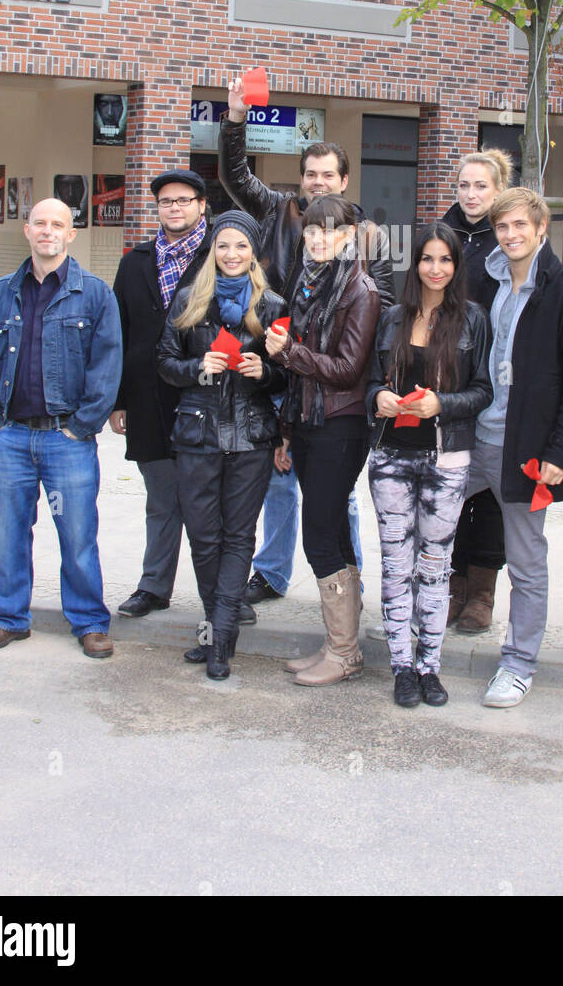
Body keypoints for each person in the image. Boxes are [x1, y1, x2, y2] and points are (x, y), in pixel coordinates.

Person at [219, 70, 394, 605]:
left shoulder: (367, 235)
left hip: (336, 382)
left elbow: (382, 308)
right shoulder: (279, 209)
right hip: (278, 368)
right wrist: (235, 120)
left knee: (335, 493)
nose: (318, 182)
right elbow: (235, 175)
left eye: (328, 174)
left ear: (345, 180)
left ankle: (348, 579)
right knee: (278, 477)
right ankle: (271, 573)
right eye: (310, 173)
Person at [0, 199, 122, 658]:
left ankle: (89, 622)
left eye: (58, 224)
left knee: (77, 535)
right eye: (40, 223)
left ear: (71, 234)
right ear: (27, 230)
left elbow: (106, 366)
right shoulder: (1, 292)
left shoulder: (94, 293)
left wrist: (82, 426)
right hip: (12, 437)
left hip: (67, 440)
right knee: (9, 532)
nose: (48, 231)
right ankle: (9, 618)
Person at [466, 188, 563, 708]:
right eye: (503, 227)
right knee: (427, 529)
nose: (511, 235)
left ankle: (518, 663)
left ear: (542, 229)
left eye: (521, 225)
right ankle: (418, 635)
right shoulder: (487, 280)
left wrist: (560, 451)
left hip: (522, 449)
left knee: (525, 560)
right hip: (471, 435)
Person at [366, 223, 492, 707]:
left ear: (456, 266)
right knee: (397, 564)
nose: (435, 269)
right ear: (414, 263)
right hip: (390, 457)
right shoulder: (393, 316)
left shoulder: (473, 320)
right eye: (427, 259)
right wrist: (378, 396)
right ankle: (401, 665)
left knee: (435, 566)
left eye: (445, 260)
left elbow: (484, 391)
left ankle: (429, 666)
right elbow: (370, 380)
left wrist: (443, 404)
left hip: (447, 457)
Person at [157, 211, 286, 680]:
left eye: (241, 247)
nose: (232, 255)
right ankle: (217, 630)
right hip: (197, 434)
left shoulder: (271, 304)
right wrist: (197, 369)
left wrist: (265, 372)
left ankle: (219, 638)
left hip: (251, 436)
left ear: (254, 254)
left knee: (238, 537)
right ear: (213, 250)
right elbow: (165, 362)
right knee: (204, 536)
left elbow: (289, 372)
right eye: (224, 246)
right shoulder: (190, 299)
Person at [265, 196, 380, 687]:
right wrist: (286, 432)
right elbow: (301, 376)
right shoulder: (307, 282)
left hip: (342, 424)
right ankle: (340, 646)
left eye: (328, 231)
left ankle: (345, 651)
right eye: (311, 231)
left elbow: (348, 370)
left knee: (319, 536)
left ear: (349, 235)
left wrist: (290, 353)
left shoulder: (361, 290)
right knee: (331, 533)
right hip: (308, 423)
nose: (316, 240)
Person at [111, 169, 219, 618]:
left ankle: (221, 595)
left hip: (204, 397)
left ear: (201, 205)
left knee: (212, 503)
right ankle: (154, 586)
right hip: (148, 399)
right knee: (161, 499)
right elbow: (117, 333)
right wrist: (118, 401)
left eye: (183, 200)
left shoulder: (222, 254)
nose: (174, 208)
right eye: (166, 202)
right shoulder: (136, 261)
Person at [441, 147, 513, 634]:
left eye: (481, 186)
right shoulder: (443, 233)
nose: (471, 194)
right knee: (450, 483)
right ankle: (453, 584)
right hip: (448, 373)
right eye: (465, 185)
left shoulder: (507, 236)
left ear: (498, 189)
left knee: (487, 489)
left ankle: (482, 591)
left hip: (493, 374)